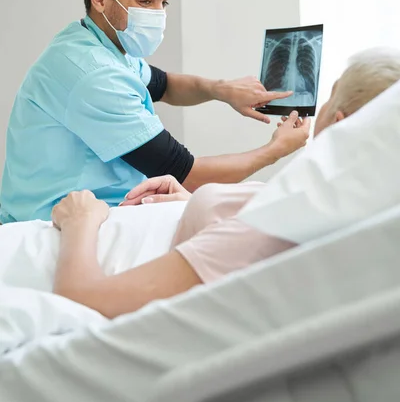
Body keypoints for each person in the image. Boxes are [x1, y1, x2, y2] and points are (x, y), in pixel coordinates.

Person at [0, 0, 307, 224]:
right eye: (146, 1)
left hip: (98, 214)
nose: (158, 14)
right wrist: (276, 150)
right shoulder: (92, 73)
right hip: (50, 228)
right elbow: (185, 173)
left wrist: (221, 90)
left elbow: (164, 85)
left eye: (163, 2)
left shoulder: (98, 42)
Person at [50, 47, 400, 318]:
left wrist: (80, 221)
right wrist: (191, 204)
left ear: (343, 123)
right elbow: (165, 84)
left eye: (330, 96)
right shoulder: (343, 216)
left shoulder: (270, 230)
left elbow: (84, 300)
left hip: (83, 246)